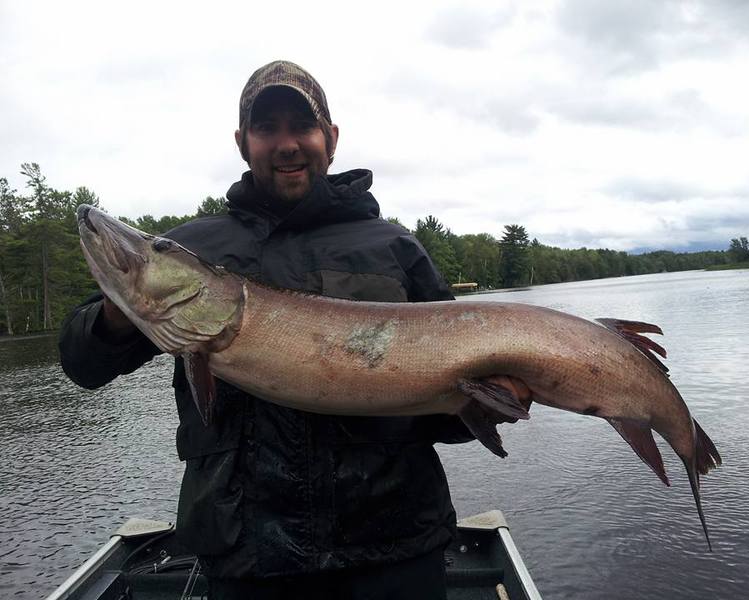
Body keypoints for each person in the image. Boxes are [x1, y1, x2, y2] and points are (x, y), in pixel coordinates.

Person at [60, 60, 528, 599]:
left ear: (330, 139)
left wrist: (488, 403)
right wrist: (124, 307)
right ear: (243, 142)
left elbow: (441, 416)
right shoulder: (190, 250)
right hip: (247, 559)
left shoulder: (393, 247)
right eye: (266, 128)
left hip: (394, 548)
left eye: (301, 127)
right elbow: (81, 364)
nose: (286, 144)